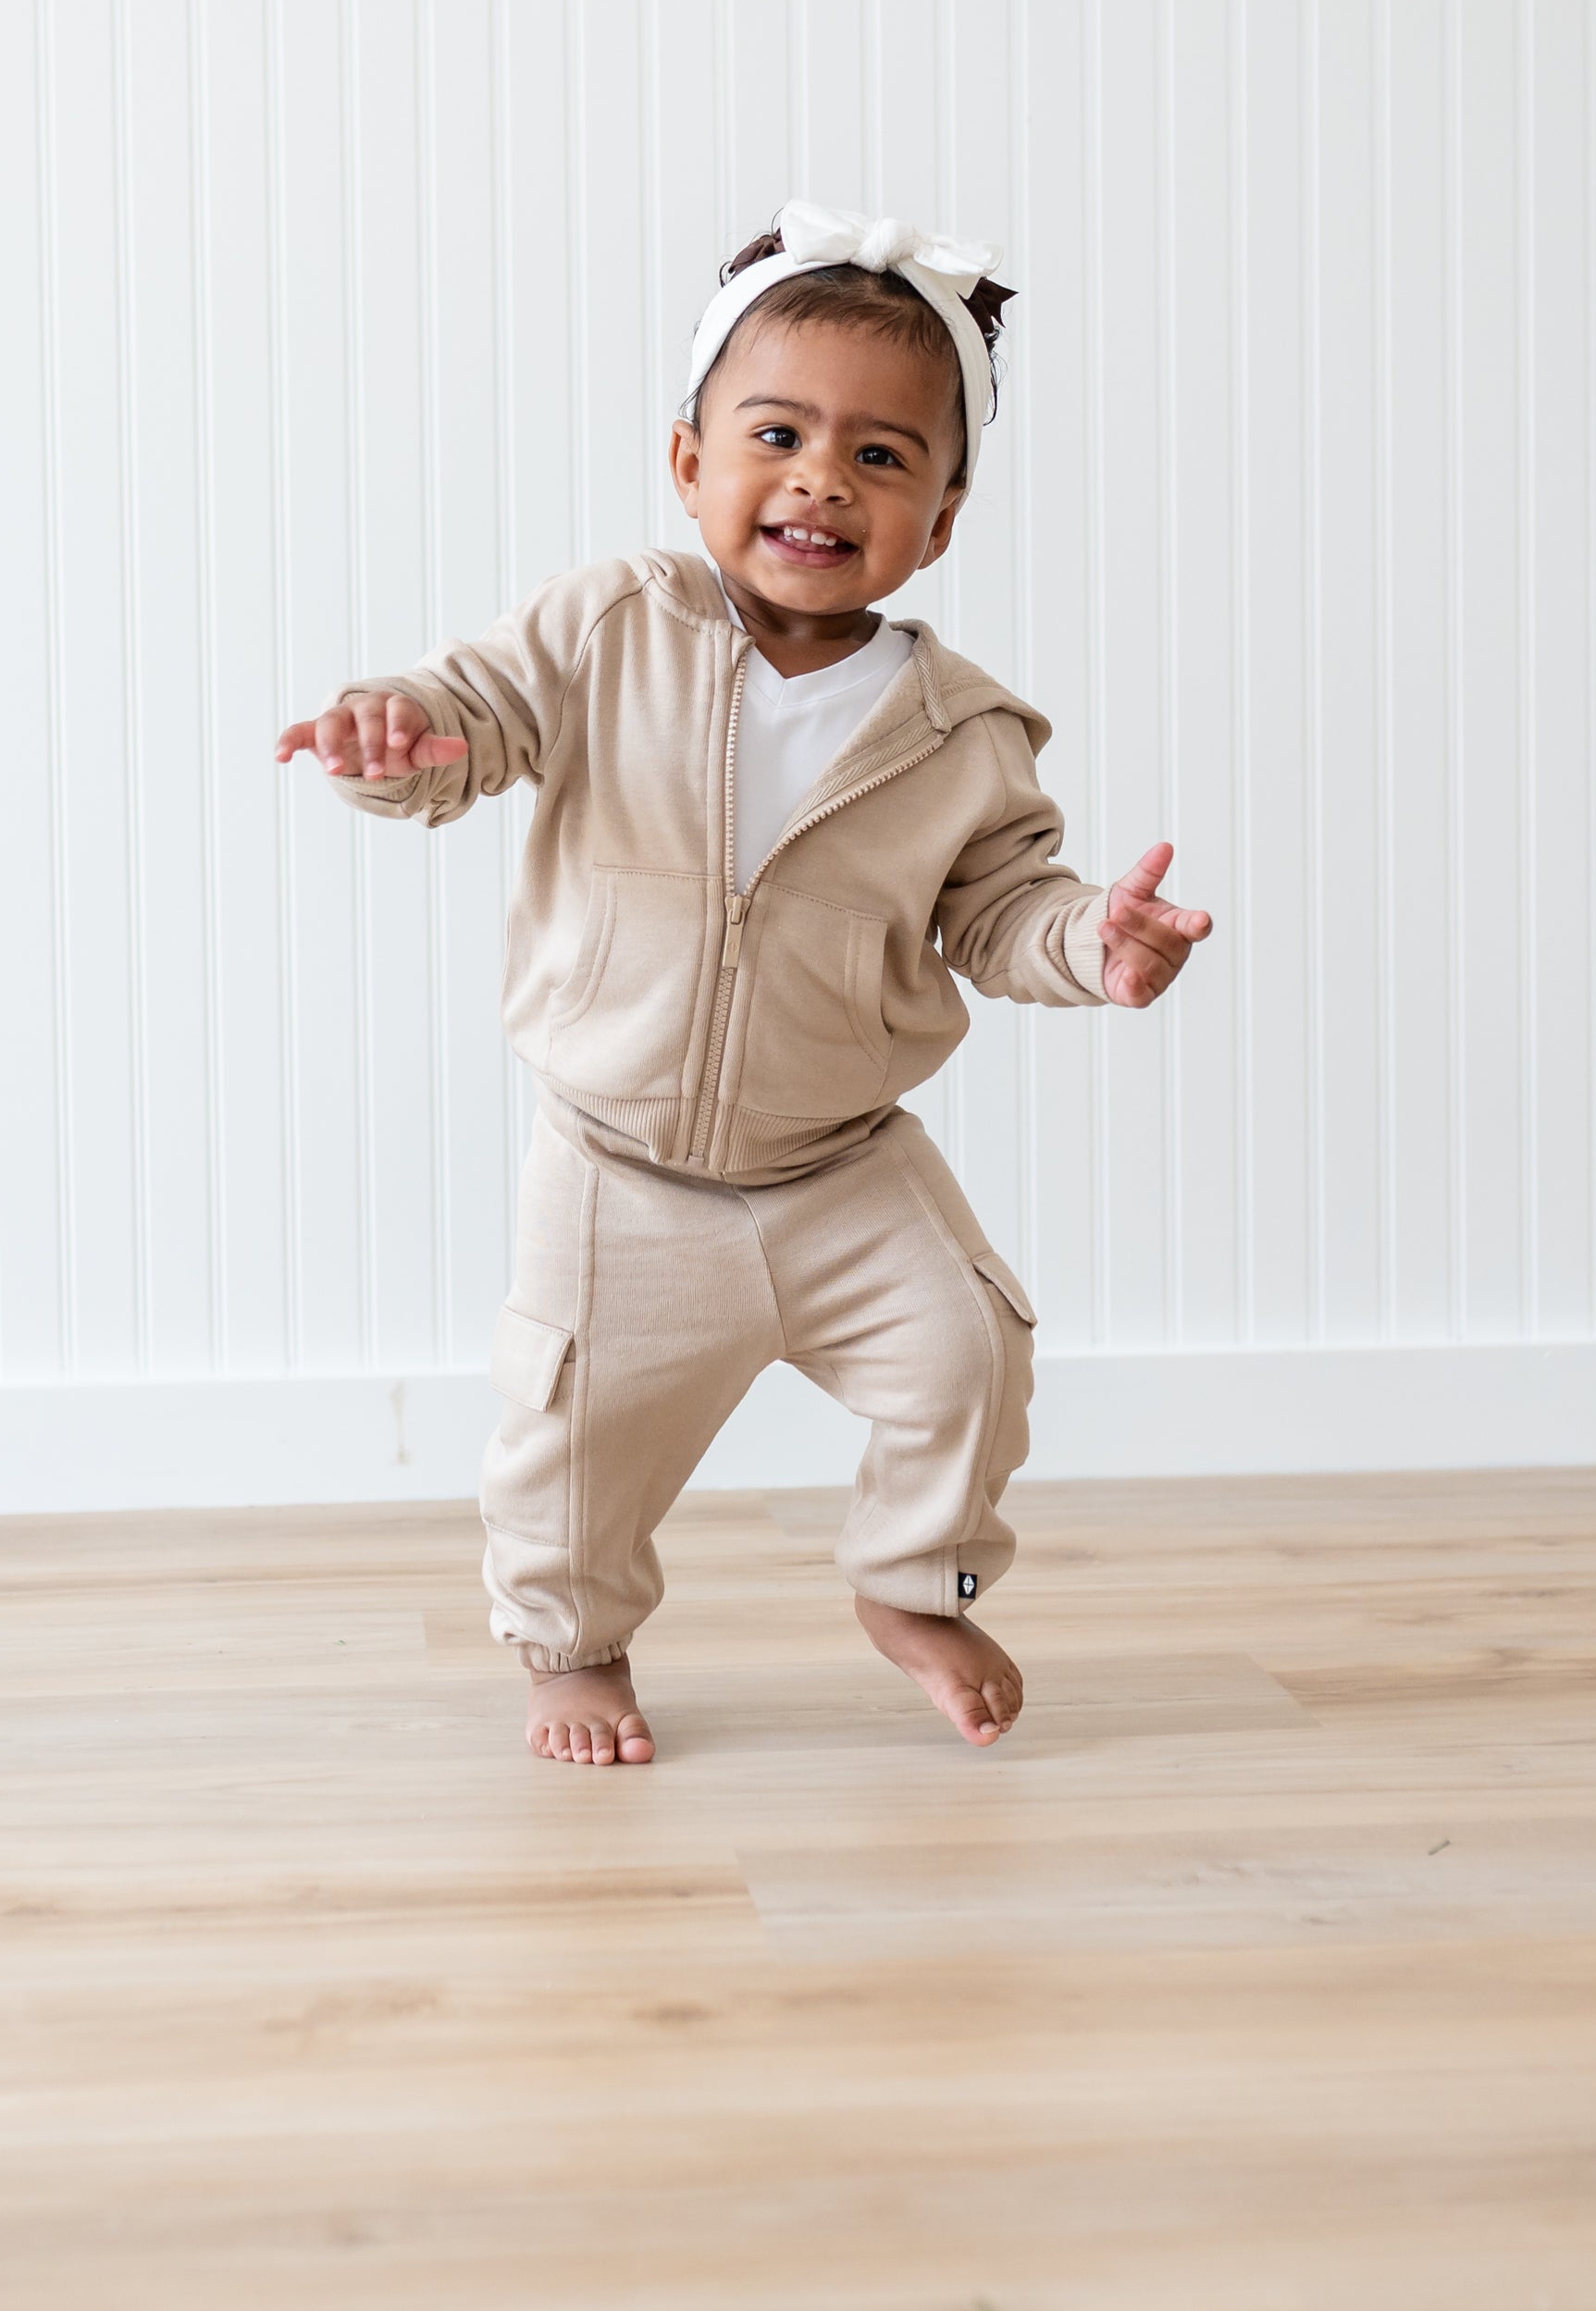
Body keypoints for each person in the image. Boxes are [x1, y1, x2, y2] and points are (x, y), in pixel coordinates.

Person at [274, 202, 1212, 1766]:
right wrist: (393, 736)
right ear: (687, 461)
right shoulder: (606, 632)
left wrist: (1096, 950)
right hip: (618, 1171)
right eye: (776, 432)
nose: (823, 479)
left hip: (843, 1166)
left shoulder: (962, 735)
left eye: (884, 457)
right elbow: (468, 718)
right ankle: (573, 1651)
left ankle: (919, 1584)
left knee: (972, 1351)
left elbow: (1002, 908)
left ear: (946, 518)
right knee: (568, 1449)